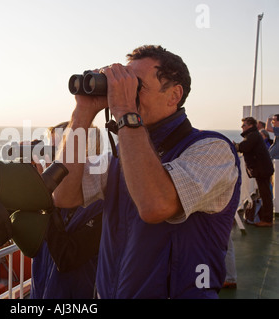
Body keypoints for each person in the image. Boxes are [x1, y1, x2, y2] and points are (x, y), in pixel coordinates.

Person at [53, 45, 241, 299]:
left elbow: (155, 205)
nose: (126, 92)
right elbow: (64, 194)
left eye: (136, 86)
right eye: (123, 84)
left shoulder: (212, 150)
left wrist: (124, 111)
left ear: (174, 95)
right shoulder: (121, 157)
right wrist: (83, 112)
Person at [30, 122, 103, 299]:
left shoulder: (102, 204)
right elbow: (26, 242)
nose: (52, 158)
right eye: (50, 149)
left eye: (58, 151)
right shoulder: (54, 196)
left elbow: (67, 258)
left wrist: (45, 199)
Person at [234, 117, 274, 227]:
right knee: (265, 194)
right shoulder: (253, 135)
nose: (242, 127)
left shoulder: (253, 136)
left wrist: (234, 145)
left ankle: (267, 220)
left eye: (244, 125)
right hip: (263, 169)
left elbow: (244, 147)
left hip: (262, 170)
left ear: (250, 126)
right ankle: (266, 218)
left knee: (265, 195)